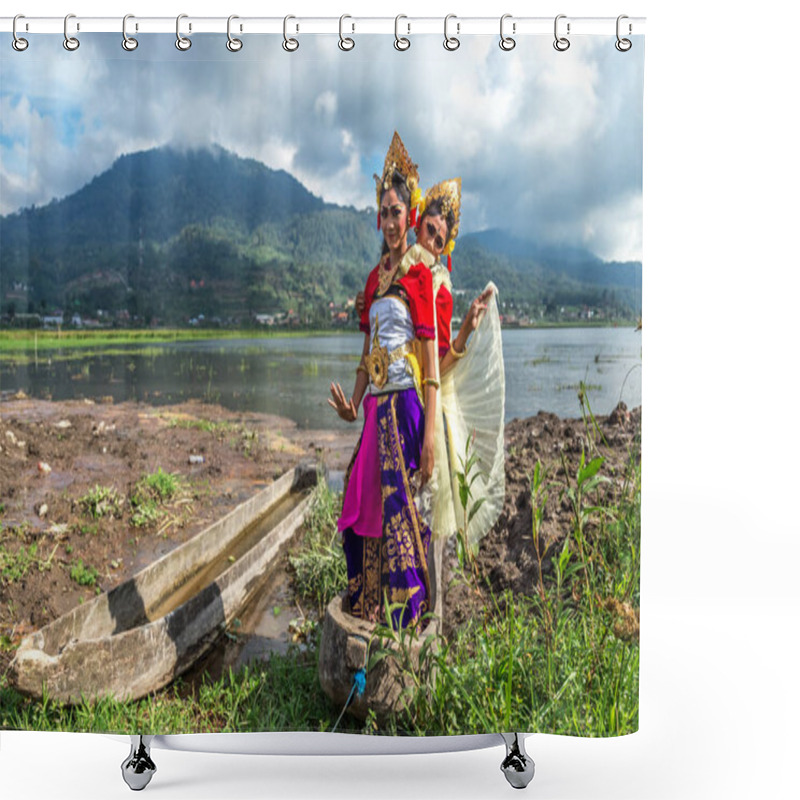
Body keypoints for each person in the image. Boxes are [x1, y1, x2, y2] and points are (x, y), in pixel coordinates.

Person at [328, 132, 438, 631]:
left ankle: (409, 611)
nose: (392, 221)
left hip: (406, 407)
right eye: (385, 212)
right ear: (378, 217)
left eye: (399, 212)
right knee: (362, 501)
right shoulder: (373, 281)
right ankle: (373, 604)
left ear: (409, 215)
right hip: (375, 408)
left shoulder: (420, 277)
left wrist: (431, 437)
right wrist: (353, 403)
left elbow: (431, 366)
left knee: (400, 507)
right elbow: (366, 352)